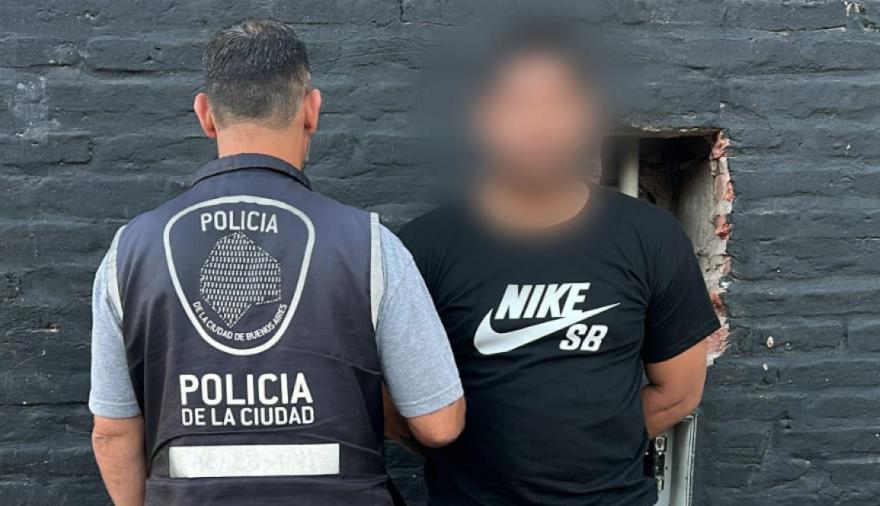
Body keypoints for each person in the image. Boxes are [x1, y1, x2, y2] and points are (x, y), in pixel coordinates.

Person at [88, 19, 464, 506]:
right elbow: (439, 424)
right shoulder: (370, 245)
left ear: (205, 114)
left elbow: (111, 434)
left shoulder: (130, 251)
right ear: (312, 109)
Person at [394, 28, 721, 505]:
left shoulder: (650, 237)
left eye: (558, 103)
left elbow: (679, 392)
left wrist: (595, 450)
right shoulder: (425, 248)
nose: (538, 125)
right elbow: (393, 406)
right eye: (517, 104)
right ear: (482, 118)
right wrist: (472, 461)